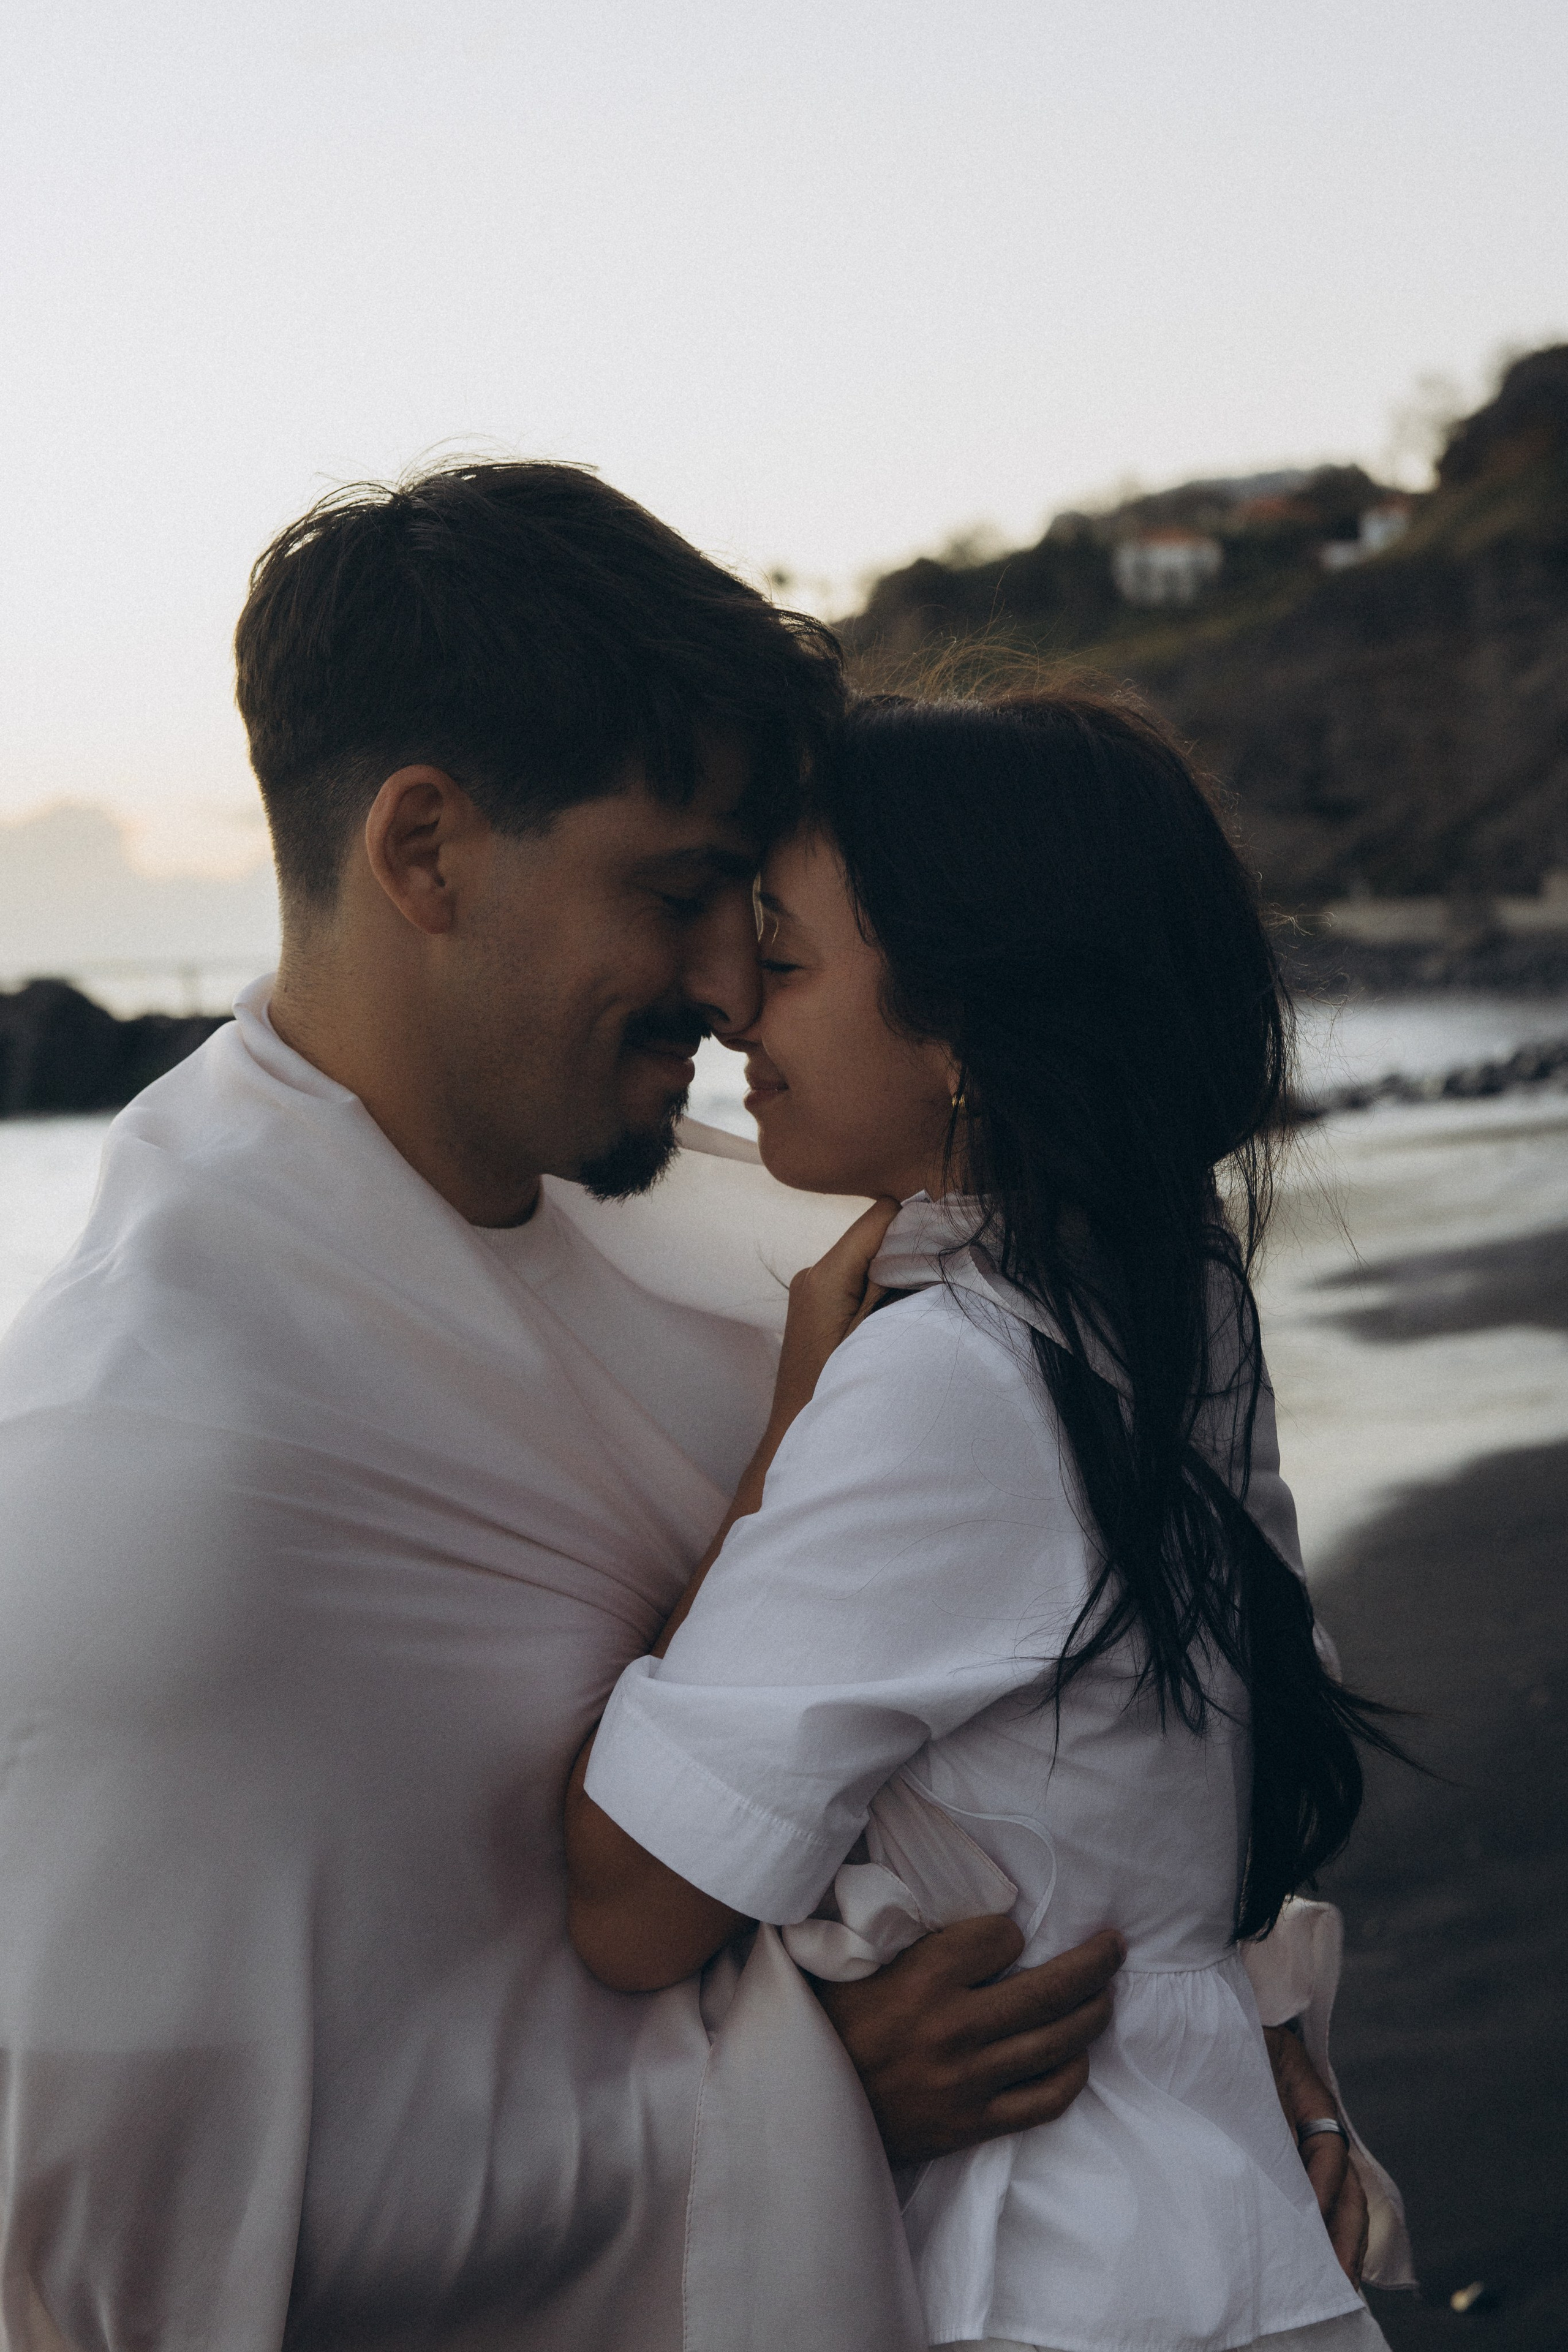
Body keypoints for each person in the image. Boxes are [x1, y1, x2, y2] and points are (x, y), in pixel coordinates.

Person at [0, 470, 1147, 2352]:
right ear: (428, 852)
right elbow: (136, 2266)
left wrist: (1232, 2059)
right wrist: (820, 2097)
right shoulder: (149, 1474)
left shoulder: (748, 1244)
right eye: (683, 892)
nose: (728, 988)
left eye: (756, 914)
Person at [566, 690, 1408, 2351]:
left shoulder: (945, 1380)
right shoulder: (1173, 1302)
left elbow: (633, 1901)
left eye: (786, 958)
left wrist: (787, 1439)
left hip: (1052, 2267)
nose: (735, 1009)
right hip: (1209, 2214)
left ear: (961, 1028)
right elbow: (1233, 1776)